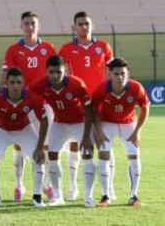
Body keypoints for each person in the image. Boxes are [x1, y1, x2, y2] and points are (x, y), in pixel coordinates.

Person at [1, 11, 56, 202]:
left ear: (38, 26)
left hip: (44, 103)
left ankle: (47, 185)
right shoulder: (13, 50)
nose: (30, 26)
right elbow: (5, 78)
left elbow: (55, 75)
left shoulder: (48, 48)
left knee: (45, 146)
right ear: (21, 26)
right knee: (19, 145)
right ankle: (18, 185)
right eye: (26, 23)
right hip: (22, 104)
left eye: (33, 23)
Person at [58, 11, 115, 200]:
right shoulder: (65, 49)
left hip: (99, 102)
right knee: (75, 144)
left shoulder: (103, 46)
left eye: (86, 24)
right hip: (77, 103)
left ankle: (109, 188)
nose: (84, 27)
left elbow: (110, 74)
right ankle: (73, 187)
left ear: (92, 25)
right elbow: (62, 78)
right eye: (80, 24)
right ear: (74, 27)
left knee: (104, 144)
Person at [30, 55, 96, 207]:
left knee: (87, 154)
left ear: (64, 70)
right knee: (52, 154)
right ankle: (58, 196)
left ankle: (88, 196)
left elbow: (88, 108)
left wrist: (86, 136)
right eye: (51, 72)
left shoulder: (76, 83)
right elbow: (27, 95)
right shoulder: (40, 84)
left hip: (79, 122)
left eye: (58, 72)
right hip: (59, 123)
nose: (55, 76)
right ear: (46, 72)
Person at [0, 67, 48, 208]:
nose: (15, 86)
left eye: (18, 82)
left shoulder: (32, 96)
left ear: (23, 82)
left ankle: (37, 197)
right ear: (6, 83)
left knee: (39, 158)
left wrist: (40, 147)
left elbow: (44, 120)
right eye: (12, 82)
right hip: (1, 130)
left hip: (24, 129)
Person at [92, 58, 149, 207]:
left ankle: (133, 196)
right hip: (107, 123)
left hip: (128, 124)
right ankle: (105, 196)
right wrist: (98, 131)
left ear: (128, 74)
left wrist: (137, 131)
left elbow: (145, 107)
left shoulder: (136, 88)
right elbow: (94, 110)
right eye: (116, 74)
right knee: (103, 154)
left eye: (123, 73)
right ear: (110, 74)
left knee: (134, 155)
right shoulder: (101, 89)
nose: (119, 77)